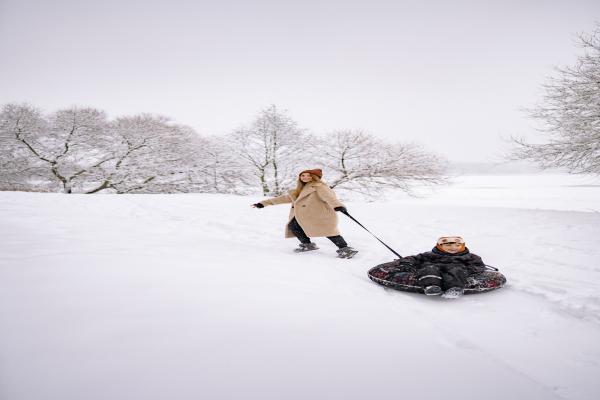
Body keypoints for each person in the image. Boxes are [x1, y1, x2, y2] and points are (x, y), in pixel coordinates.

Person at [252, 168, 358, 258]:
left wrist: (338, 206)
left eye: (308, 175)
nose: (305, 177)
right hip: (305, 216)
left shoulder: (319, 186)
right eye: (303, 175)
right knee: (294, 226)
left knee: (328, 231)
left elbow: (329, 197)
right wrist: (263, 203)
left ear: (314, 177)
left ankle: (345, 249)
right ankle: (307, 245)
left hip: (320, 215)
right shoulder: (300, 189)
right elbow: (284, 198)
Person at [396, 236, 486, 298]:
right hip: (435, 269)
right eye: (448, 245)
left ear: (462, 246)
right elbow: (415, 258)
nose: (453, 248)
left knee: (457, 270)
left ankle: (454, 289)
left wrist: (468, 270)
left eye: (457, 245)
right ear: (440, 246)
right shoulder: (430, 255)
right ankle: (432, 287)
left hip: (455, 270)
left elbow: (478, 266)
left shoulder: (470, 256)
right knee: (429, 268)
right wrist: (406, 263)